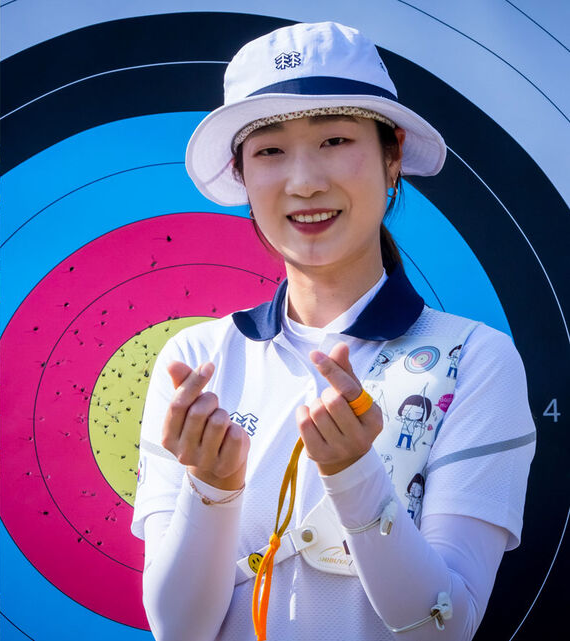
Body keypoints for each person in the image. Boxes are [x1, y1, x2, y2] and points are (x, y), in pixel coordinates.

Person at [131, 22, 535, 641]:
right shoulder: (198, 359)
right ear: (240, 174)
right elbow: (178, 628)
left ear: (392, 153)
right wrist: (210, 490)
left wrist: (354, 473)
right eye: (269, 150)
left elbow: (445, 628)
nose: (304, 181)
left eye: (336, 139)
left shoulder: (475, 360)